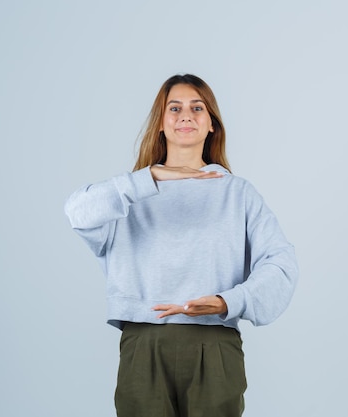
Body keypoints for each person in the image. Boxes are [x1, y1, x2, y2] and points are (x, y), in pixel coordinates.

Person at [64, 73, 298, 417]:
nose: (185, 115)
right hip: (143, 343)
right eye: (174, 108)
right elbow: (76, 212)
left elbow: (281, 265)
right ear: (161, 123)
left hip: (214, 344)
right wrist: (150, 177)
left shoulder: (238, 193)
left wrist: (227, 301)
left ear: (211, 125)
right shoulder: (128, 195)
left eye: (196, 108)